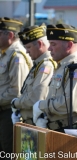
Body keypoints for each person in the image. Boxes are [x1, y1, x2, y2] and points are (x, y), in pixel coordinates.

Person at [32, 24, 77, 132]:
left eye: (53, 44)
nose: (49, 48)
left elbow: (69, 104)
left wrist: (41, 106)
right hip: (58, 128)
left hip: (70, 129)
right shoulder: (62, 66)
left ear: (69, 45)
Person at [11, 24, 56, 126]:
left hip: (35, 123)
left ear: (40, 44)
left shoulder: (46, 65)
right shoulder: (38, 64)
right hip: (29, 121)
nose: (26, 51)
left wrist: (16, 103)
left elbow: (36, 98)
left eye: (29, 47)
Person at [0, 17, 32, 158]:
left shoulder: (16, 56)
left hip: (9, 112)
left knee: (8, 149)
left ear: (10, 35)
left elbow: (16, 91)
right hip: (3, 110)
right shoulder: (5, 53)